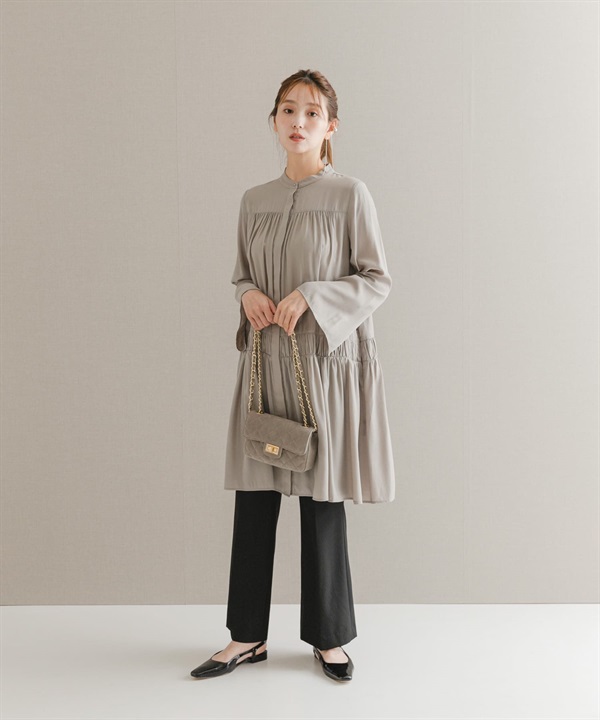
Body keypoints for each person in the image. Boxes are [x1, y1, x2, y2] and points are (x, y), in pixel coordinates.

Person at [190, 69, 395, 683]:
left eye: (311, 112)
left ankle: (329, 638)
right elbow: (241, 274)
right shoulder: (254, 200)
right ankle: (245, 636)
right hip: (266, 364)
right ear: (274, 121)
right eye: (287, 110)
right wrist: (248, 294)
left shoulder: (351, 195)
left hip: (322, 368)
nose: (298, 121)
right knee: (254, 497)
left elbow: (376, 279)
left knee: (320, 499)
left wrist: (312, 295)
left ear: (331, 126)